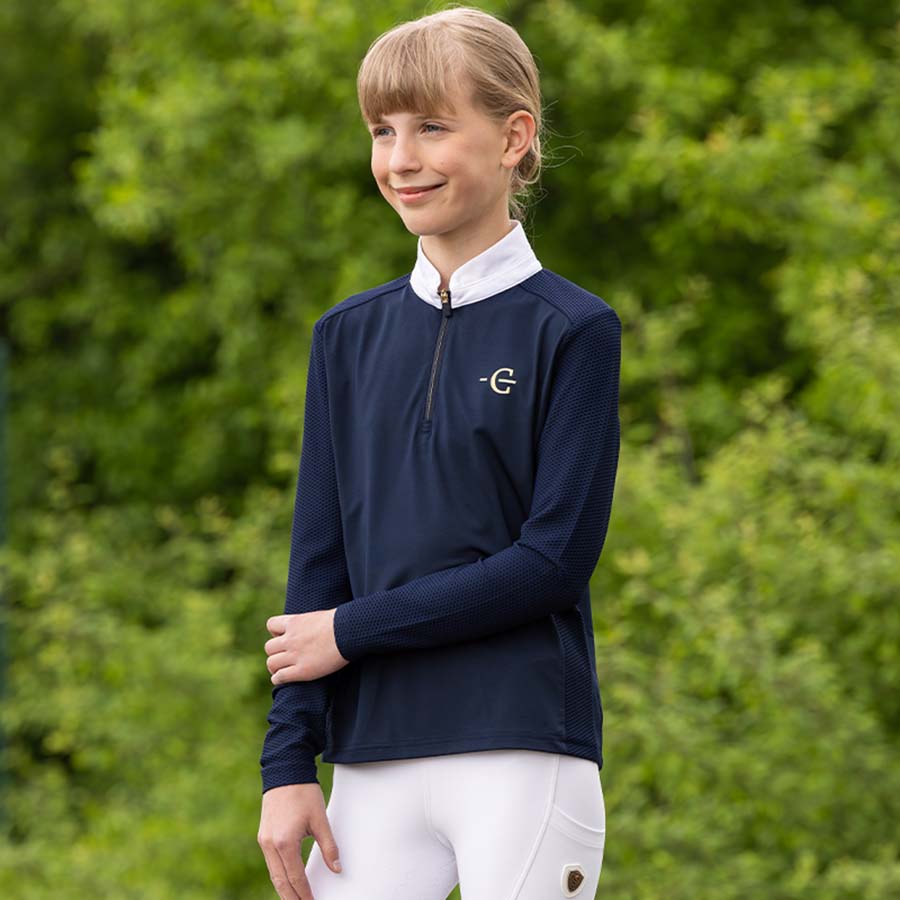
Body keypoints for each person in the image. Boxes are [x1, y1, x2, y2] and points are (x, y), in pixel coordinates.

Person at [256, 7, 621, 900]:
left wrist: (351, 632)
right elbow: (318, 567)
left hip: (522, 749)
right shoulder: (345, 337)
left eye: (431, 127)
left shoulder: (574, 329)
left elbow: (551, 563)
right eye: (382, 131)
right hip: (369, 760)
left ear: (514, 137)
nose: (401, 158)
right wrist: (287, 762)